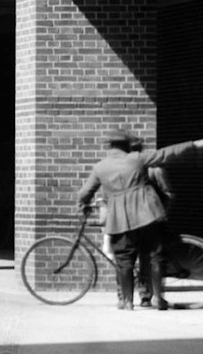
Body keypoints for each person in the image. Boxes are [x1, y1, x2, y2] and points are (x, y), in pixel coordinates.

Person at [77, 128, 203, 311]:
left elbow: (84, 193)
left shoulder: (100, 167)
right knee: (156, 256)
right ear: (127, 145)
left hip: (120, 219)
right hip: (148, 214)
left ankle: (127, 301)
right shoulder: (136, 158)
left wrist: (83, 206)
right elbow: (166, 153)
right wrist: (194, 144)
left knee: (124, 259)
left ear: (110, 145)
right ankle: (157, 298)